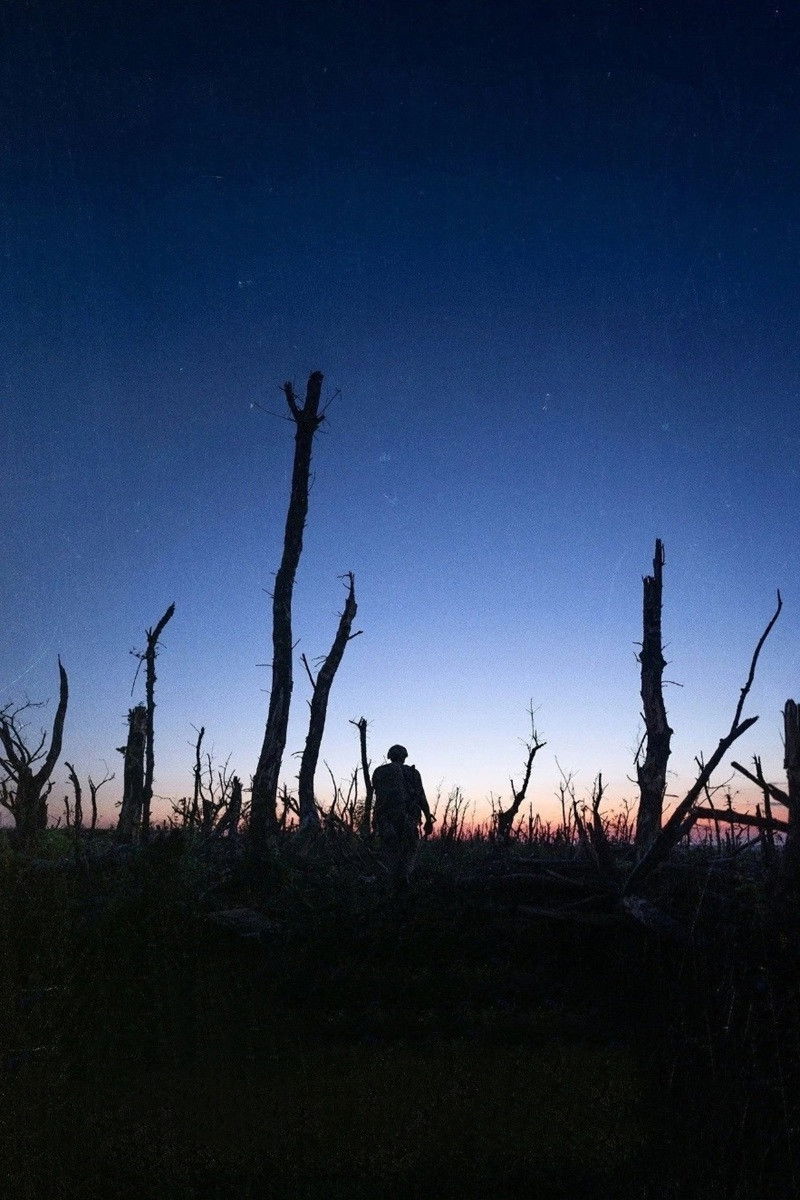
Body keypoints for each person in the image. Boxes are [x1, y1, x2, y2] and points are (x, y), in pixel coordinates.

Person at [371, 744, 434, 888]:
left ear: (390, 756)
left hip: (386, 820)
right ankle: (402, 881)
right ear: (404, 757)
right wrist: (428, 820)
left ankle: (390, 884)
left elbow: (378, 798)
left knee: (389, 851)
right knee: (409, 851)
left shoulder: (380, 771)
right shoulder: (413, 773)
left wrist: (375, 819)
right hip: (408, 819)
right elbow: (421, 797)